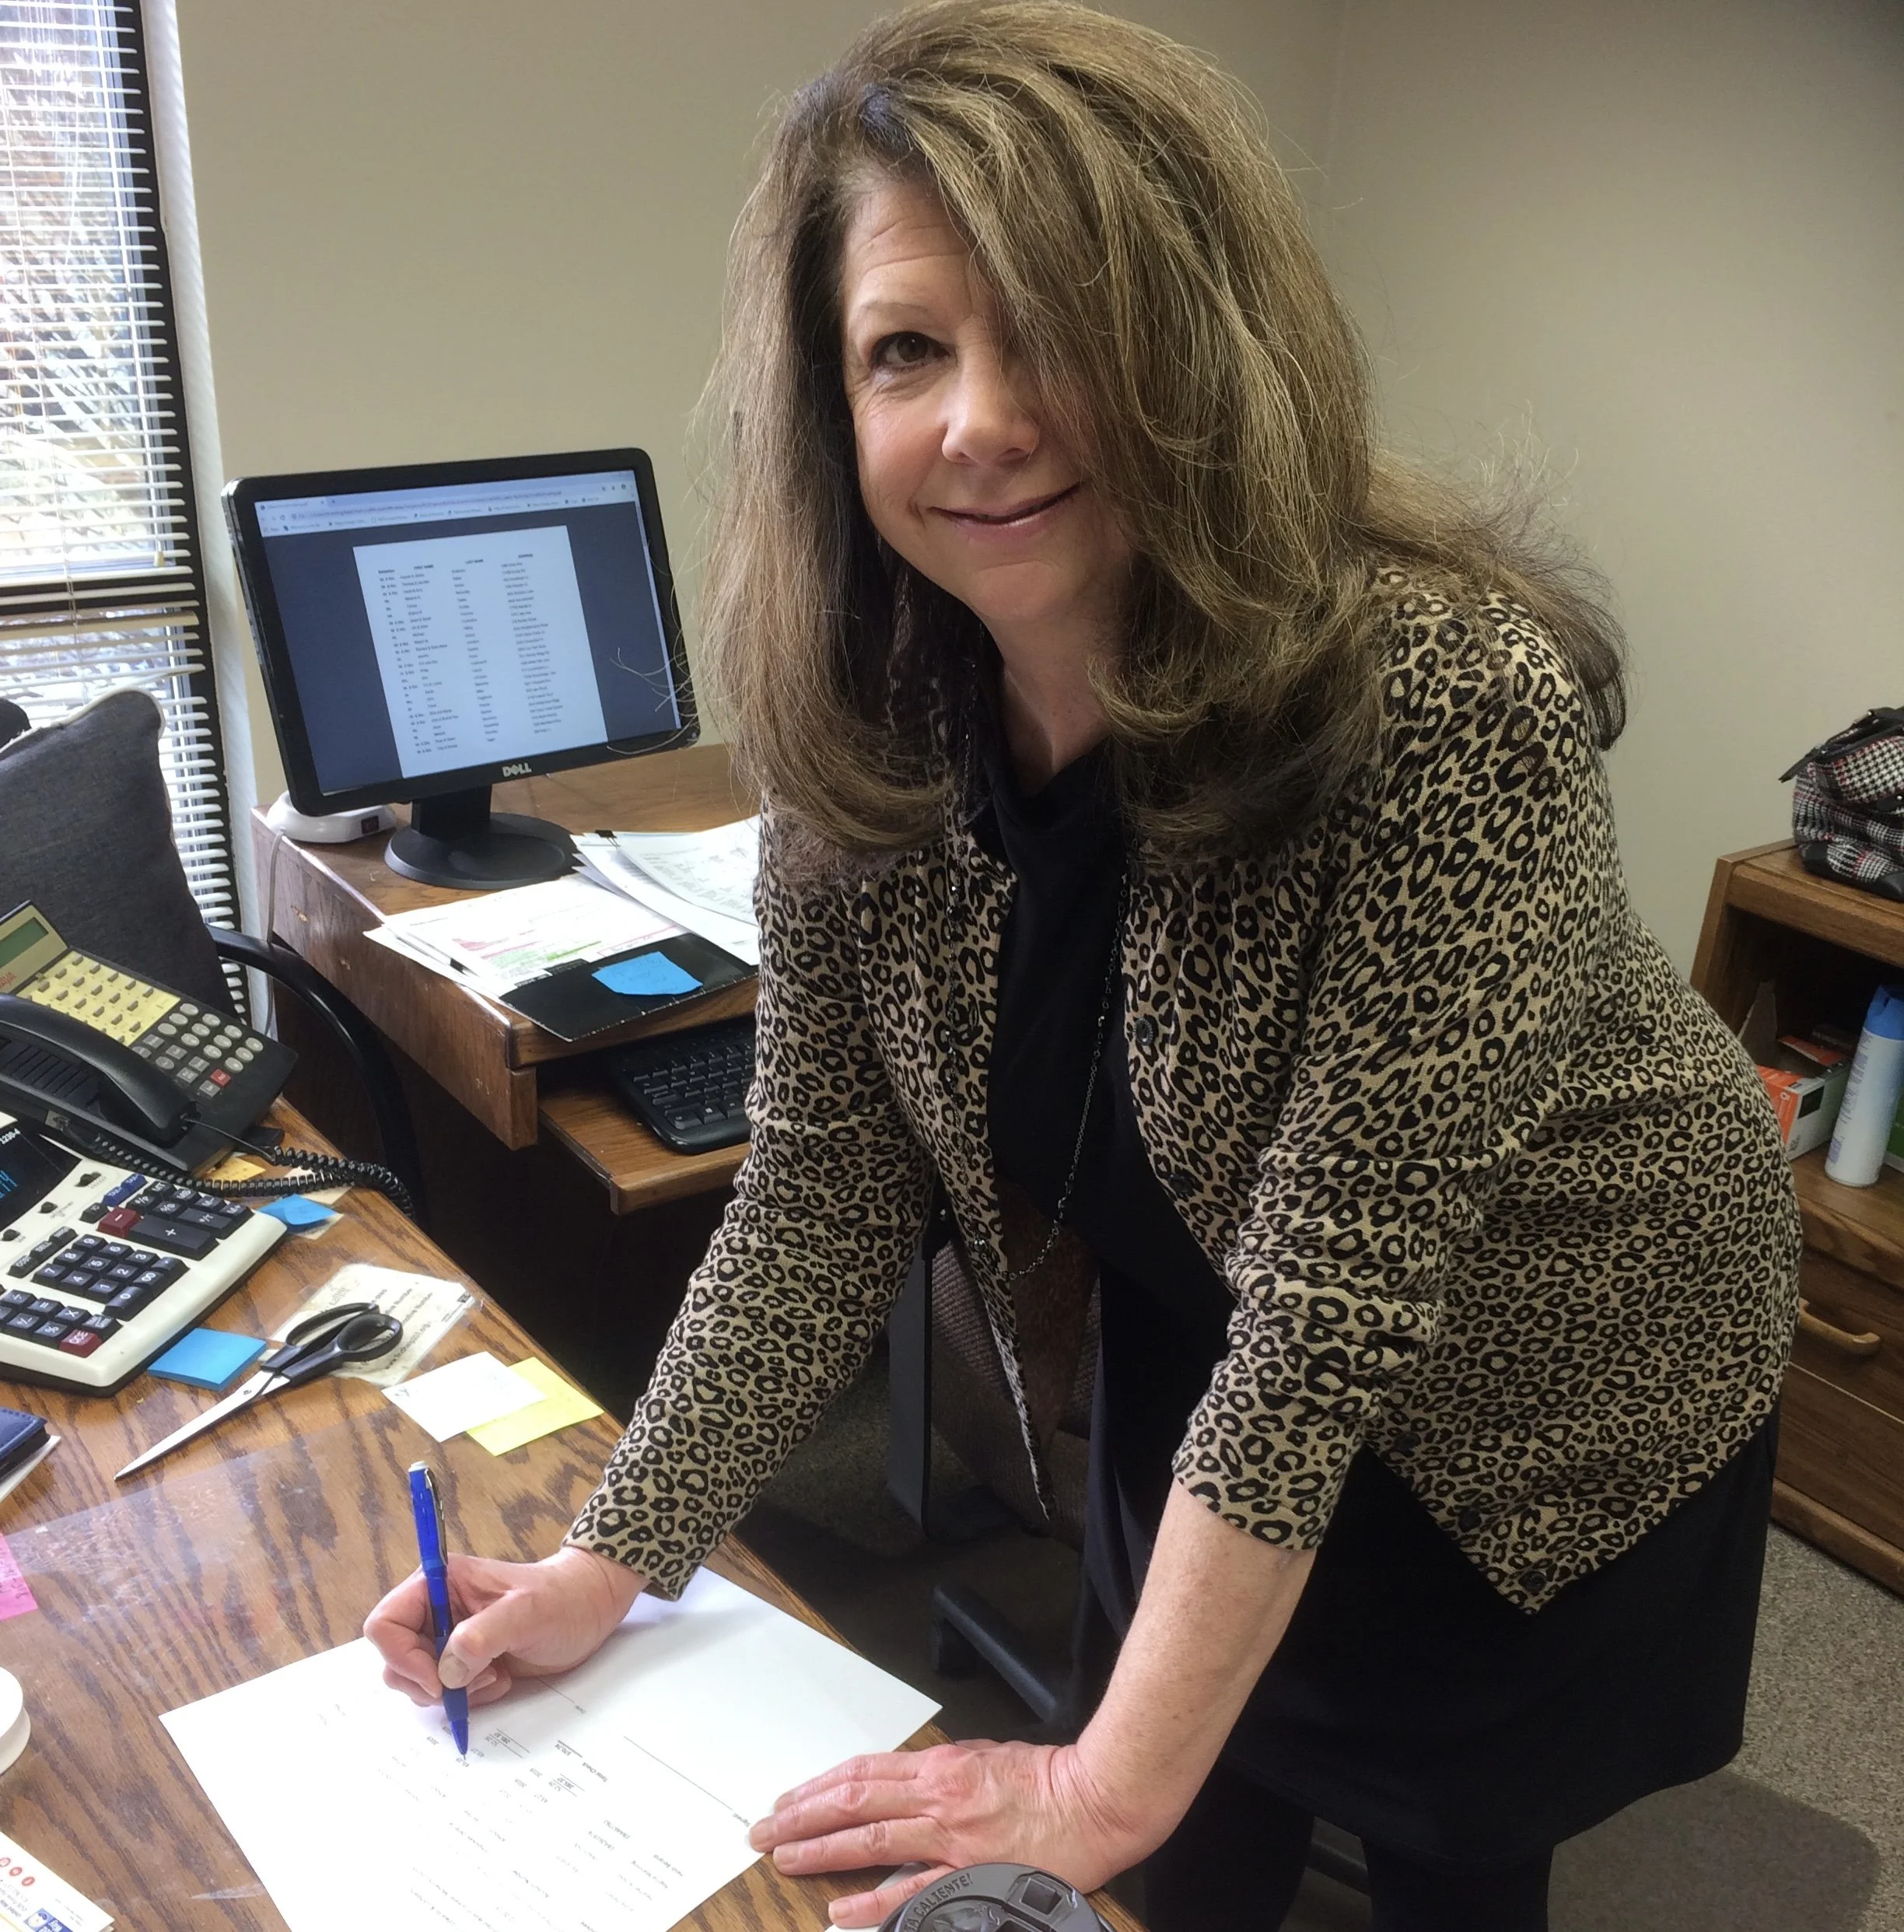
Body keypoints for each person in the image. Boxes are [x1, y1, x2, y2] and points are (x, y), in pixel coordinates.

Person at [366, 5, 1801, 1927]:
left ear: (1194, 344)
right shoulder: (859, 737)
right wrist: (607, 1562)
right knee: (1165, 1821)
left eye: (1053, 326)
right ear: (834, 402)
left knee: (1442, 1843)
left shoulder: (1445, 701)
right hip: (1211, 1324)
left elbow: (1334, 1320)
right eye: (906, 351)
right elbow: (813, 1207)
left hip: (1537, 1356)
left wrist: (1102, 1783)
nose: (979, 418)